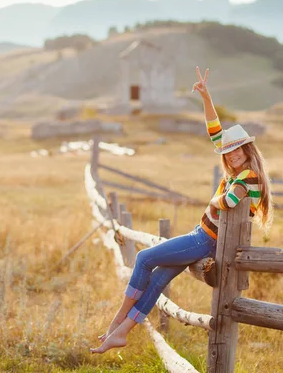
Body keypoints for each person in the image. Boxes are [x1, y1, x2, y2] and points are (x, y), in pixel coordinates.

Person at [90, 66, 273, 354]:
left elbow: (229, 203)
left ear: (249, 149)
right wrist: (206, 96)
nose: (234, 154)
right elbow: (215, 131)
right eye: (230, 151)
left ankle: (117, 320)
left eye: (239, 149)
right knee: (160, 277)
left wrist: (214, 201)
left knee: (143, 258)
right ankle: (122, 332)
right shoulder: (237, 171)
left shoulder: (248, 175)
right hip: (205, 237)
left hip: (205, 240)